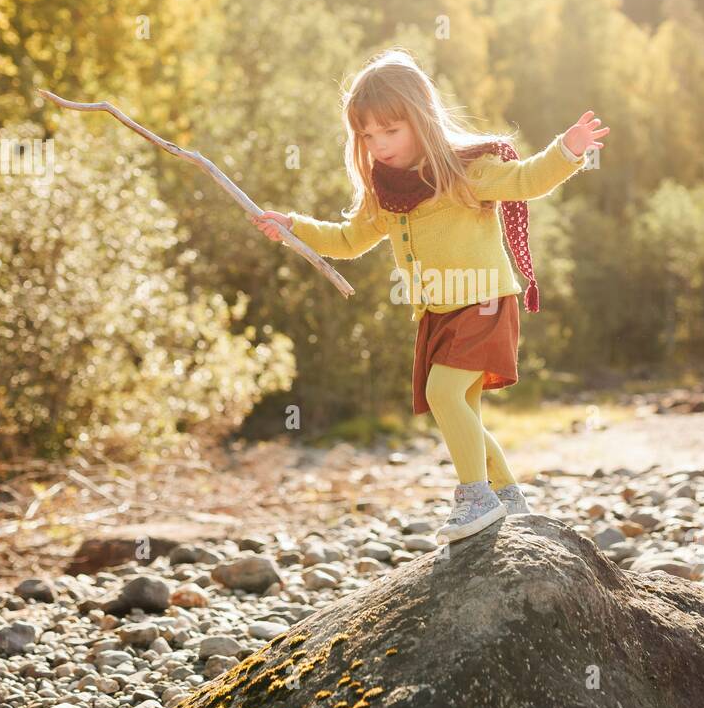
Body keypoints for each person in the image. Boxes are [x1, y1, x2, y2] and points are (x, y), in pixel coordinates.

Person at [252, 48, 608, 544]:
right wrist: (293, 227)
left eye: (390, 131)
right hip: (438, 311)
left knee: (443, 394)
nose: (378, 145)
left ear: (420, 119)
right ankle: (507, 496)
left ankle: (475, 497)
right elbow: (348, 240)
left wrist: (567, 150)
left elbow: (527, 179)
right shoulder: (385, 192)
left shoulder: (465, 170)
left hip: (484, 301)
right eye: (367, 136)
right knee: (463, 408)